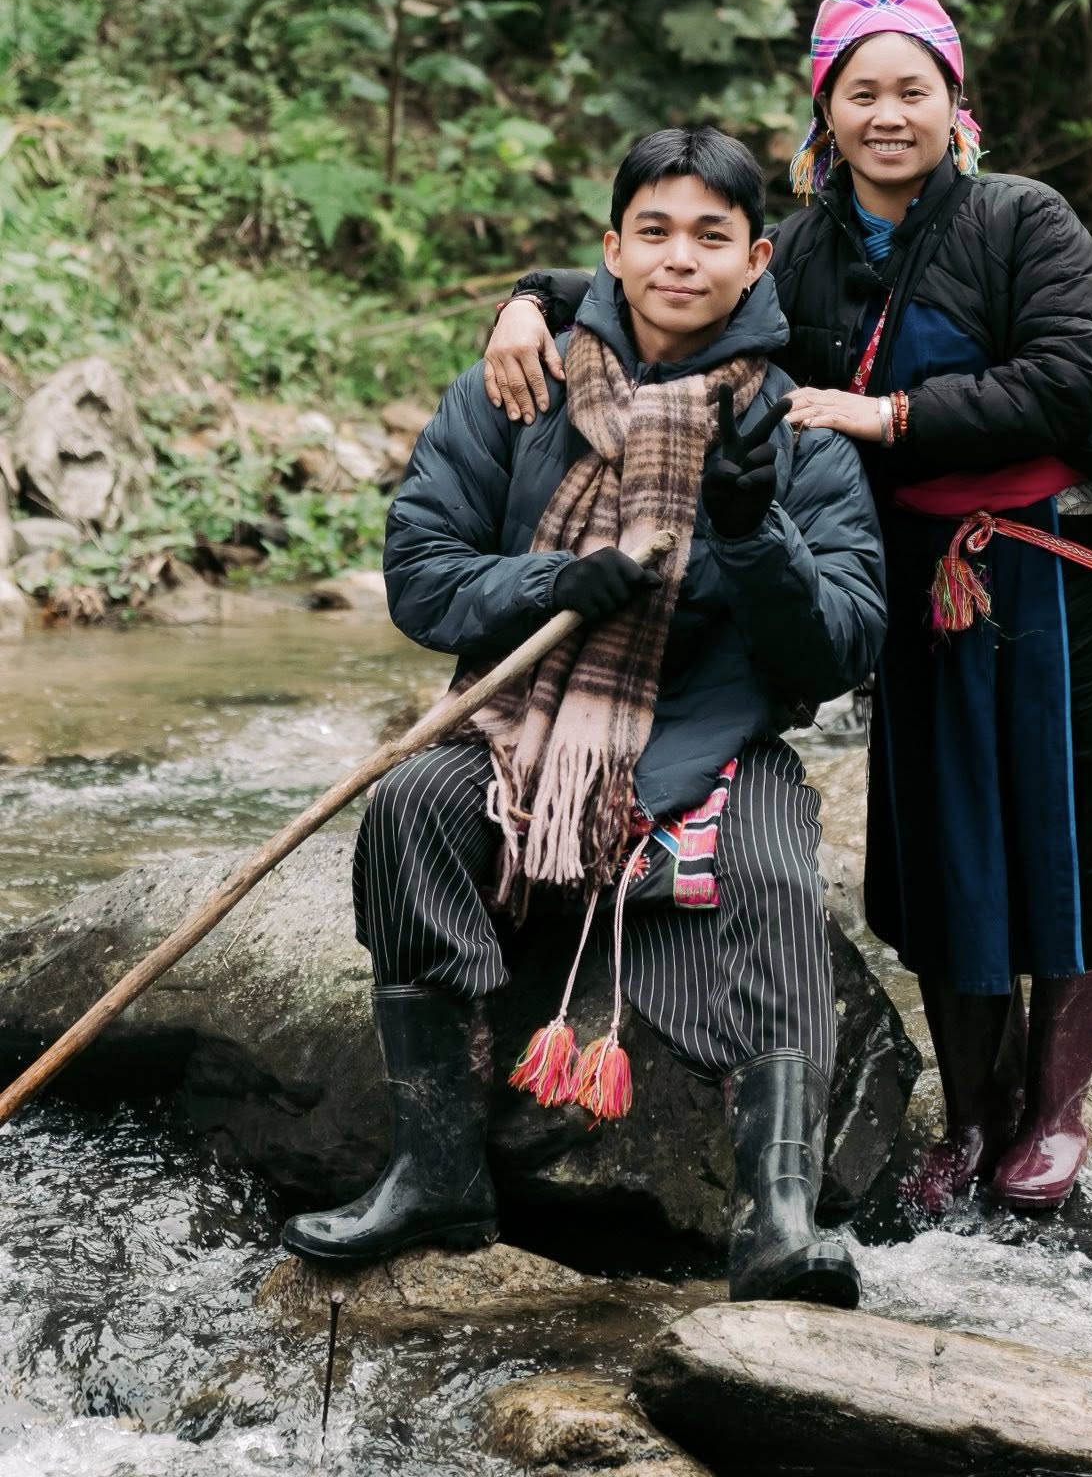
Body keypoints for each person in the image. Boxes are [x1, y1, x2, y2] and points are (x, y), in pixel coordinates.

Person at [483, 0, 1092, 1215]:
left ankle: (1054, 1110)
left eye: (911, 90)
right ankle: (974, 1114)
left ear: (952, 103)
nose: (889, 115)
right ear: (823, 112)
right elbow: (675, 277)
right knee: (944, 842)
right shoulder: (804, 248)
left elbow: (1071, 373)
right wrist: (533, 297)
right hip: (914, 574)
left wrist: (889, 414)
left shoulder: (1021, 219)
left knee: (1069, 827)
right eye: (861, 92)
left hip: (1060, 561)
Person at [284, 128, 886, 1306]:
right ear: (611, 250)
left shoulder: (797, 424)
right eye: (653, 231)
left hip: (710, 735)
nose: (679, 258)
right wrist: (548, 583)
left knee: (772, 870)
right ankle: (436, 1171)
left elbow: (843, 640)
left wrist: (753, 533)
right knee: (408, 807)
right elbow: (420, 573)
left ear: (756, 258)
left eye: (710, 235)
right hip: (522, 728)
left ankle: (775, 1217)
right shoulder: (520, 384)